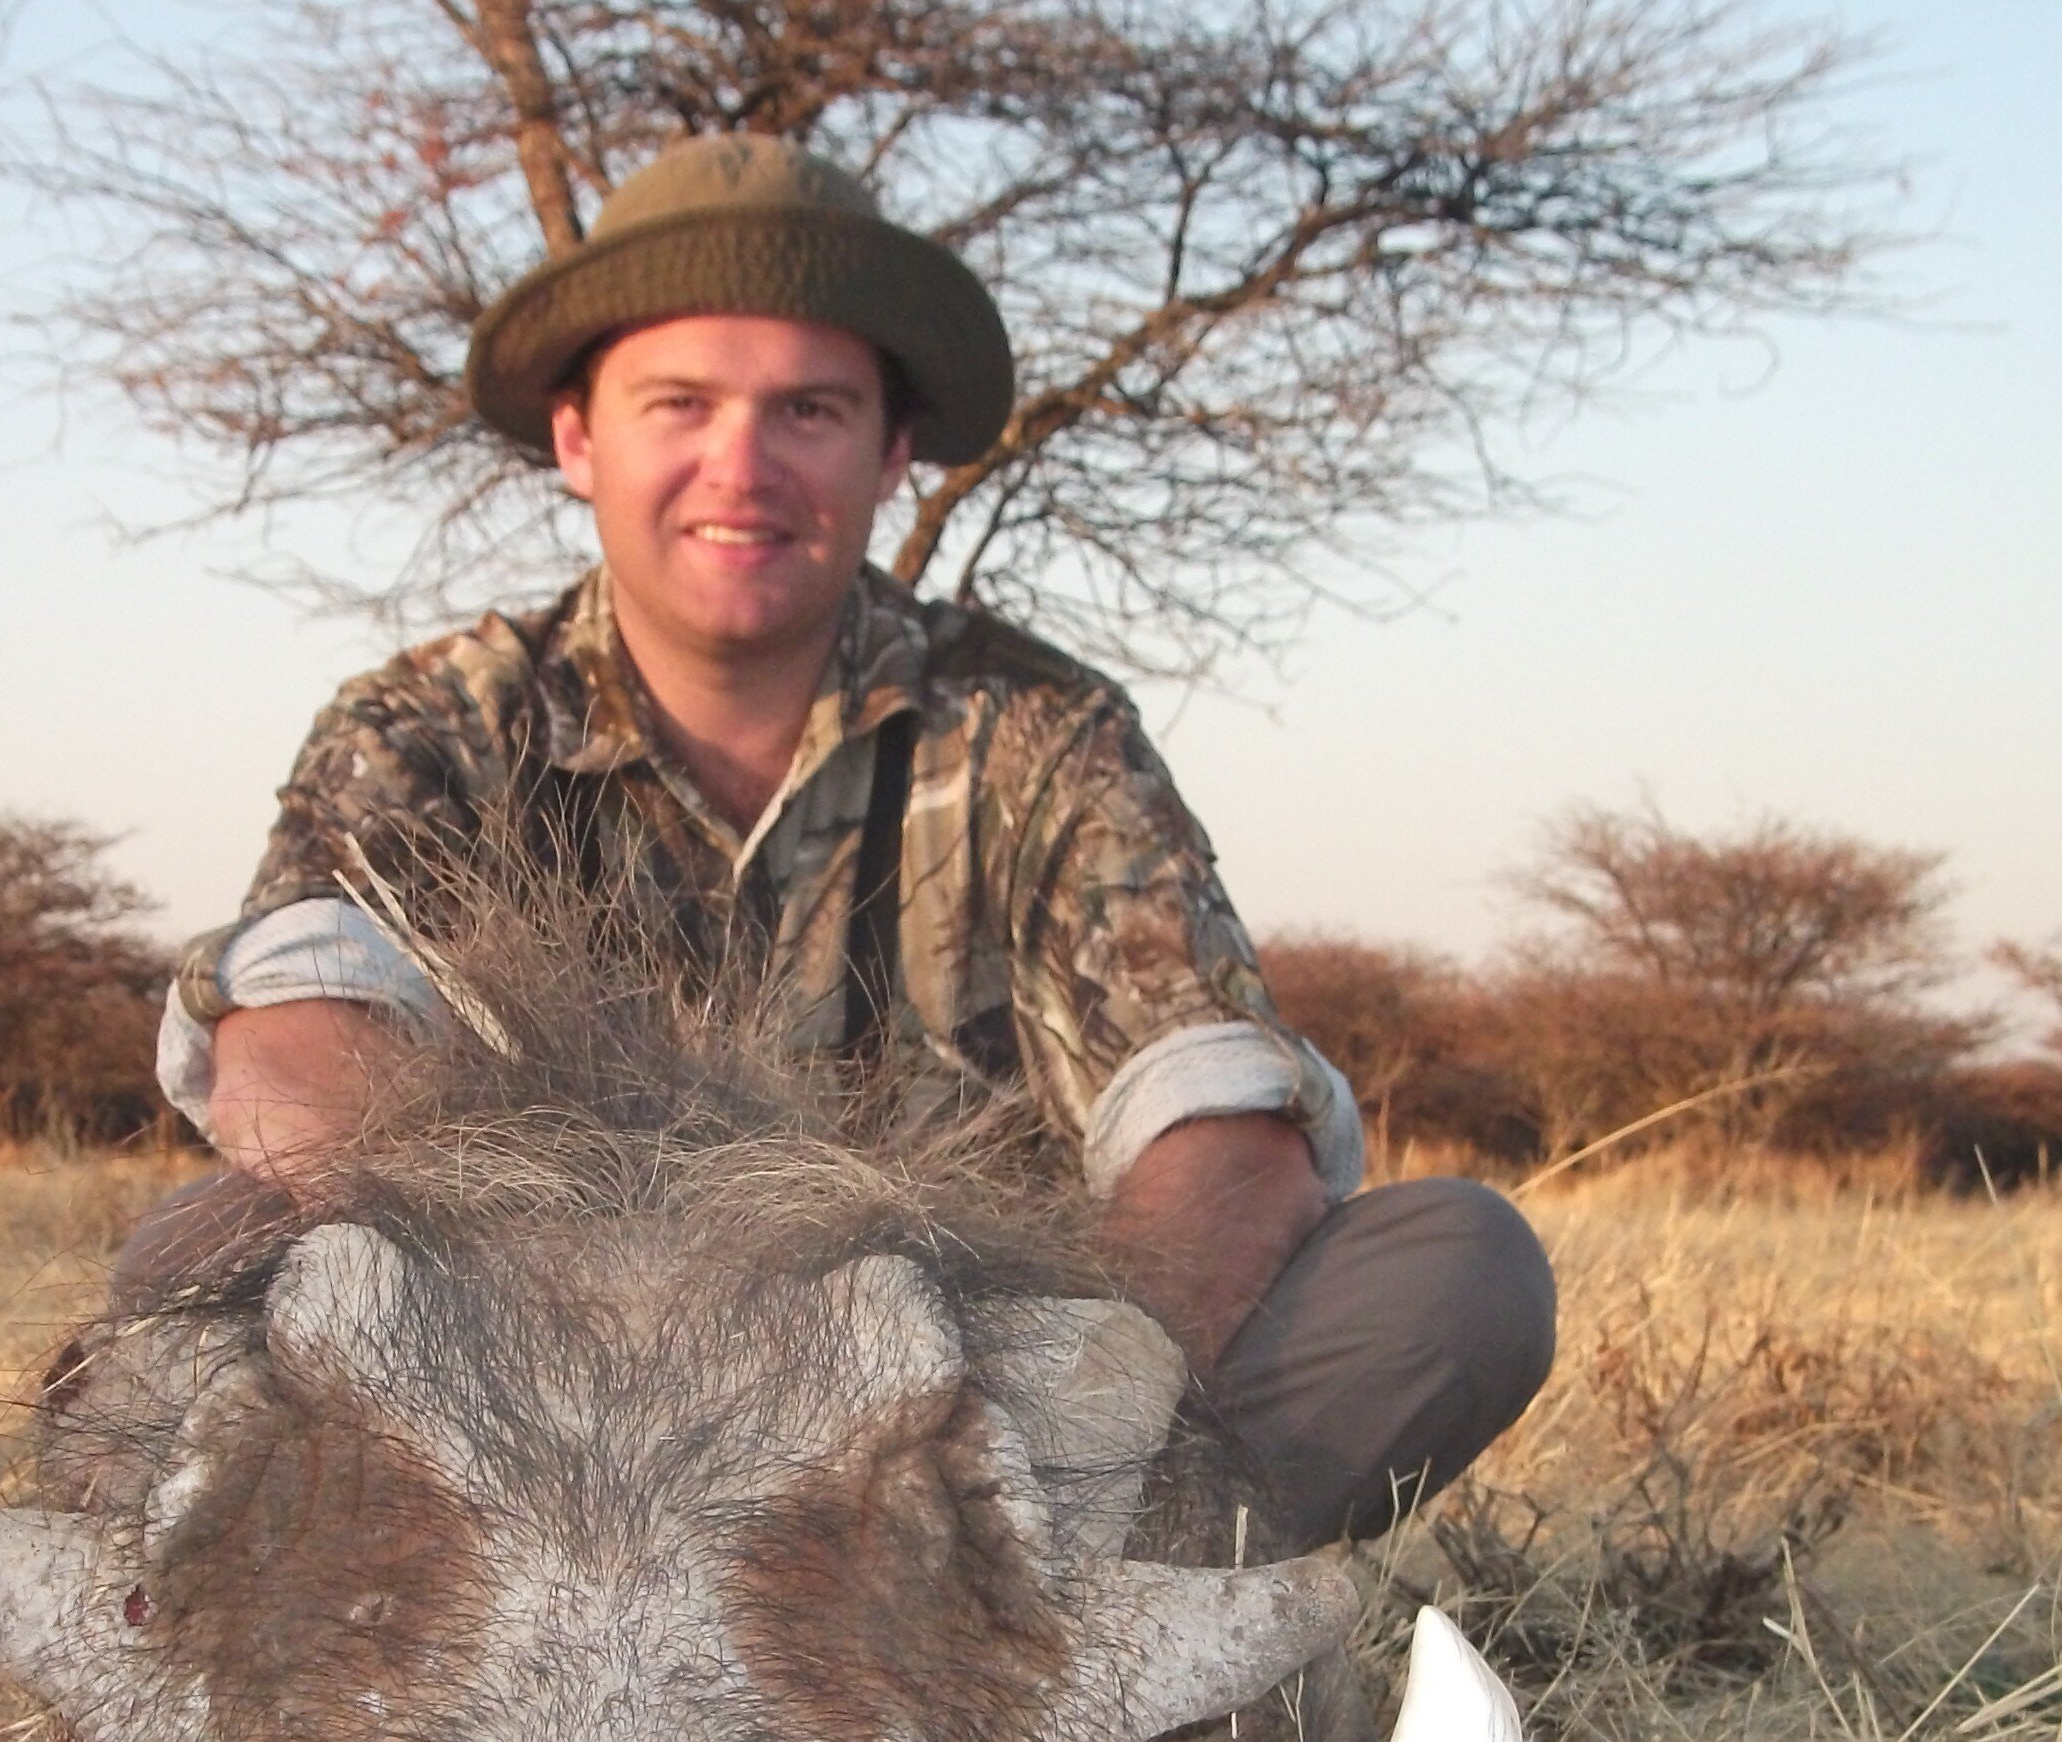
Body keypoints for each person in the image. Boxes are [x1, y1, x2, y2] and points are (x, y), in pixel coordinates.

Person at [153, 134, 1554, 1545]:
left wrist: (1049, 1426)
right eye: (679, 402)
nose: (742, 467)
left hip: (955, 1456)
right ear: (581, 439)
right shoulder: (429, 722)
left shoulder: (1040, 725)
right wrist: (505, 1359)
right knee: (186, 1267)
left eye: (809, 410)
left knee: (1455, 1273)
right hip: (520, 1422)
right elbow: (297, 1037)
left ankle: (1038, 1617)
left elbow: (1221, 1125)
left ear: (892, 451)